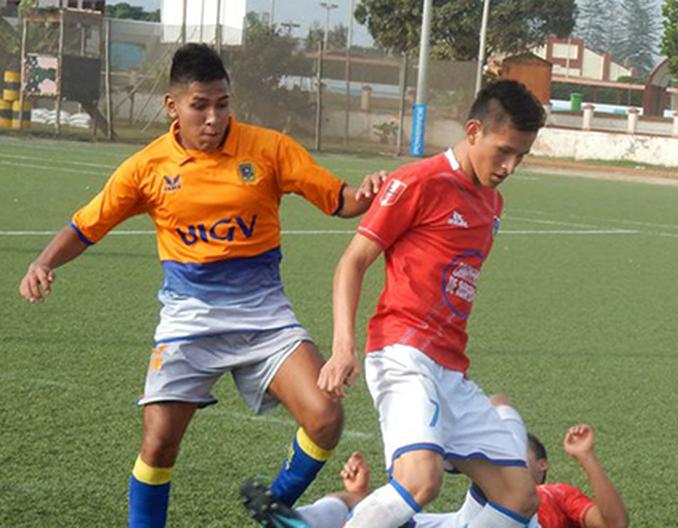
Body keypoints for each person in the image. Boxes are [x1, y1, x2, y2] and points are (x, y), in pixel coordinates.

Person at [17, 43, 386, 527]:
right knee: (158, 442)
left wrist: (371, 192)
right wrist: (44, 262)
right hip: (188, 319)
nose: (213, 118)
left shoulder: (269, 149)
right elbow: (87, 225)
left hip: (264, 316)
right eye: (200, 106)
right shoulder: (148, 168)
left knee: (325, 416)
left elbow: (339, 199)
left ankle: (273, 506)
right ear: (173, 106)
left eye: (222, 103)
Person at [318, 80, 547, 528]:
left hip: (451, 369)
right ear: (474, 130)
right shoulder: (416, 182)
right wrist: (342, 346)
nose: (510, 166)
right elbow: (353, 262)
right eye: (503, 151)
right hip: (402, 352)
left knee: (520, 498)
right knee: (421, 480)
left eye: (521, 156)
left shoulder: (493, 205)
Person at [241, 395, 629, 528]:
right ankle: (303, 520)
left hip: (510, 518)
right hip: (465, 521)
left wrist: (587, 458)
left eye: (521, 457)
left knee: (503, 428)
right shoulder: (482, 500)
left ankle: (449, 448)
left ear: (542, 466)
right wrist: (356, 494)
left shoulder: (554, 495)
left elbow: (614, 524)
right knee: (357, 501)